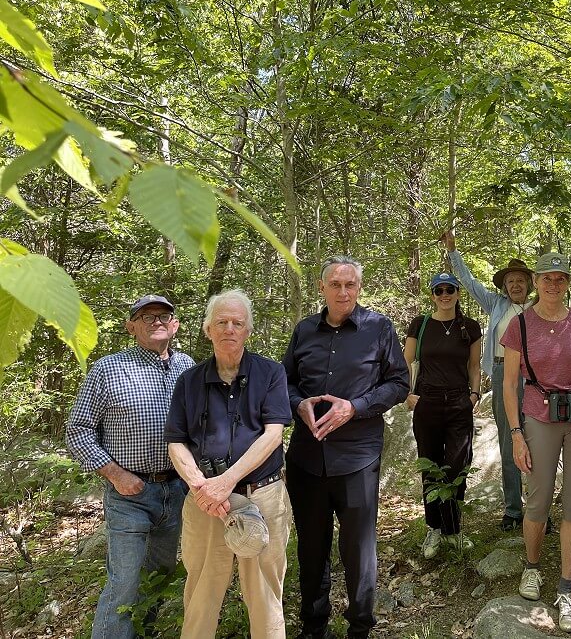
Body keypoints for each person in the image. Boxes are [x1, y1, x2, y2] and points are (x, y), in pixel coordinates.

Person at [281, 256, 409, 639]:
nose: (343, 291)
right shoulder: (303, 331)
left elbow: (399, 383)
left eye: (350, 284)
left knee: (358, 549)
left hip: (358, 457)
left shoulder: (378, 328)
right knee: (311, 547)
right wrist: (297, 403)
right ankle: (314, 626)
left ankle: (360, 626)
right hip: (307, 457)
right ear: (322, 288)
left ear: (359, 287)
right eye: (335, 284)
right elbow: (282, 384)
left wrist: (355, 407)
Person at [66, 294, 195, 639]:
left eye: (164, 316)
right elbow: (78, 430)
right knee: (124, 581)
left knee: (160, 576)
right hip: (129, 494)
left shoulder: (188, 368)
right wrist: (115, 474)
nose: (157, 321)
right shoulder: (108, 369)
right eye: (147, 316)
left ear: (175, 325)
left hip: (177, 492)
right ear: (131, 326)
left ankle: (143, 634)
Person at [165, 289, 292, 638]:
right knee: (201, 596)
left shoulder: (271, 373)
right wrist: (202, 486)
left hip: (262, 498)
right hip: (205, 503)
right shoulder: (189, 381)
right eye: (221, 322)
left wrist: (227, 481)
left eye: (237, 323)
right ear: (208, 329)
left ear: (248, 330)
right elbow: (176, 441)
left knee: (266, 596)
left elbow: (273, 435)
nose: (229, 329)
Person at [500, 253, 571, 633]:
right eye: (545, 278)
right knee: (539, 496)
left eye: (559, 278)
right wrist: (516, 434)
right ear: (535, 280)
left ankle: (566, 587)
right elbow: (509, 384)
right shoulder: (520, 325)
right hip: (537, 416)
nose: (552, 285)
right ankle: (532, 568)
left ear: (567, 282)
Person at [441, 230, 533, 531]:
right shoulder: (496, 305)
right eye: (511, 281)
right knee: (509, 442)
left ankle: (537, 508)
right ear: (505, 287)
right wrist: (453, 251)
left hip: (534, 380)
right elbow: (468, 282)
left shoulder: (539, 309)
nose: (516, 284)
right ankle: (513, 509)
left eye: (521, 280)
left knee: (538, 441)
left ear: (530, 284)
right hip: (503, 373)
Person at [404, 272, 483, 558]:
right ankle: (434, 528)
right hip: (428, 403)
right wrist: (406, 394)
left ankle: (453, 529)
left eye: (450, 289)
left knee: (457, 464)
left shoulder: (470, 327)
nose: (445, 294)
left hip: (459, 403)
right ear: (433, 295)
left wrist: (474, 395)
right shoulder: (421, 324)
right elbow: (407, 362)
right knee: (430, 464)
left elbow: (474, 366)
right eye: (439, 290)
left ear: (458, 293)